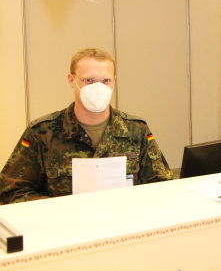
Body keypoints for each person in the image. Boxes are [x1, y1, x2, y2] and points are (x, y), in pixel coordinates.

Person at [0, 48, 173, 204]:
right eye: (88, 80)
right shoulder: (42, 132)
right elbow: (10, 191)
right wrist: (59, 209)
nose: (98, 87)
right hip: (65, 232)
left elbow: (162, 185)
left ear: (114, 81)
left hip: (124, 228)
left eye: (106, 81)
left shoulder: (136, 130)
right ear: (71, 80)